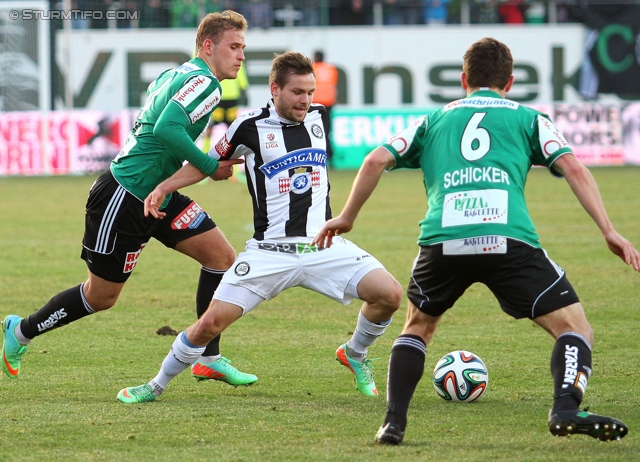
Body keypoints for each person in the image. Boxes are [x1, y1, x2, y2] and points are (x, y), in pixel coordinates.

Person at [313, 37, 640, 445]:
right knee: (574, 330)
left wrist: (346, 216)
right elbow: (571, 167)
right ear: (511, 81)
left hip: (443, 241)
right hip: (509, 240)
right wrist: (608, 230)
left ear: (464, 79)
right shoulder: (528, 118)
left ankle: (393, 423)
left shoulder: (433, 120)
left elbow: (376, 158)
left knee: (417, 328)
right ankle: (566, 406)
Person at [116, 51, 402, 404]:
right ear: (275, 88)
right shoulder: (248, 126)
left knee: (389, 295)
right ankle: (156, 385)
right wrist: (164, 187)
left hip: (321, 246)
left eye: (310, 92)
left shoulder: (319, 117)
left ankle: (354, 353)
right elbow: (208, 164)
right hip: (269, 252)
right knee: (209, 326)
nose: (306, 100)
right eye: (297, 92)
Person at [1, 11, 257, 388]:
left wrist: (174, 181)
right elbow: (166, 127)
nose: (241, 56)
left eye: (243, 48)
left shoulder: (178, 74)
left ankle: (208, 356)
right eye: (234, 46)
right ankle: (19, 331)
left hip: (158, 193)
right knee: (101, 297)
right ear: (208, 45)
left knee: (220, 257)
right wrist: (209, 164)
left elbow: (158, 130)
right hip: (123, 196)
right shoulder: (205, 83)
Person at [312, 51, 338, 165]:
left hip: (315, 104)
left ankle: (316, 158)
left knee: (314, 131)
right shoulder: (331, 69)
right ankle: (330, 159)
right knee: (326, 132)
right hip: (328, 103)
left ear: (315, 57)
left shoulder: (311, 69)